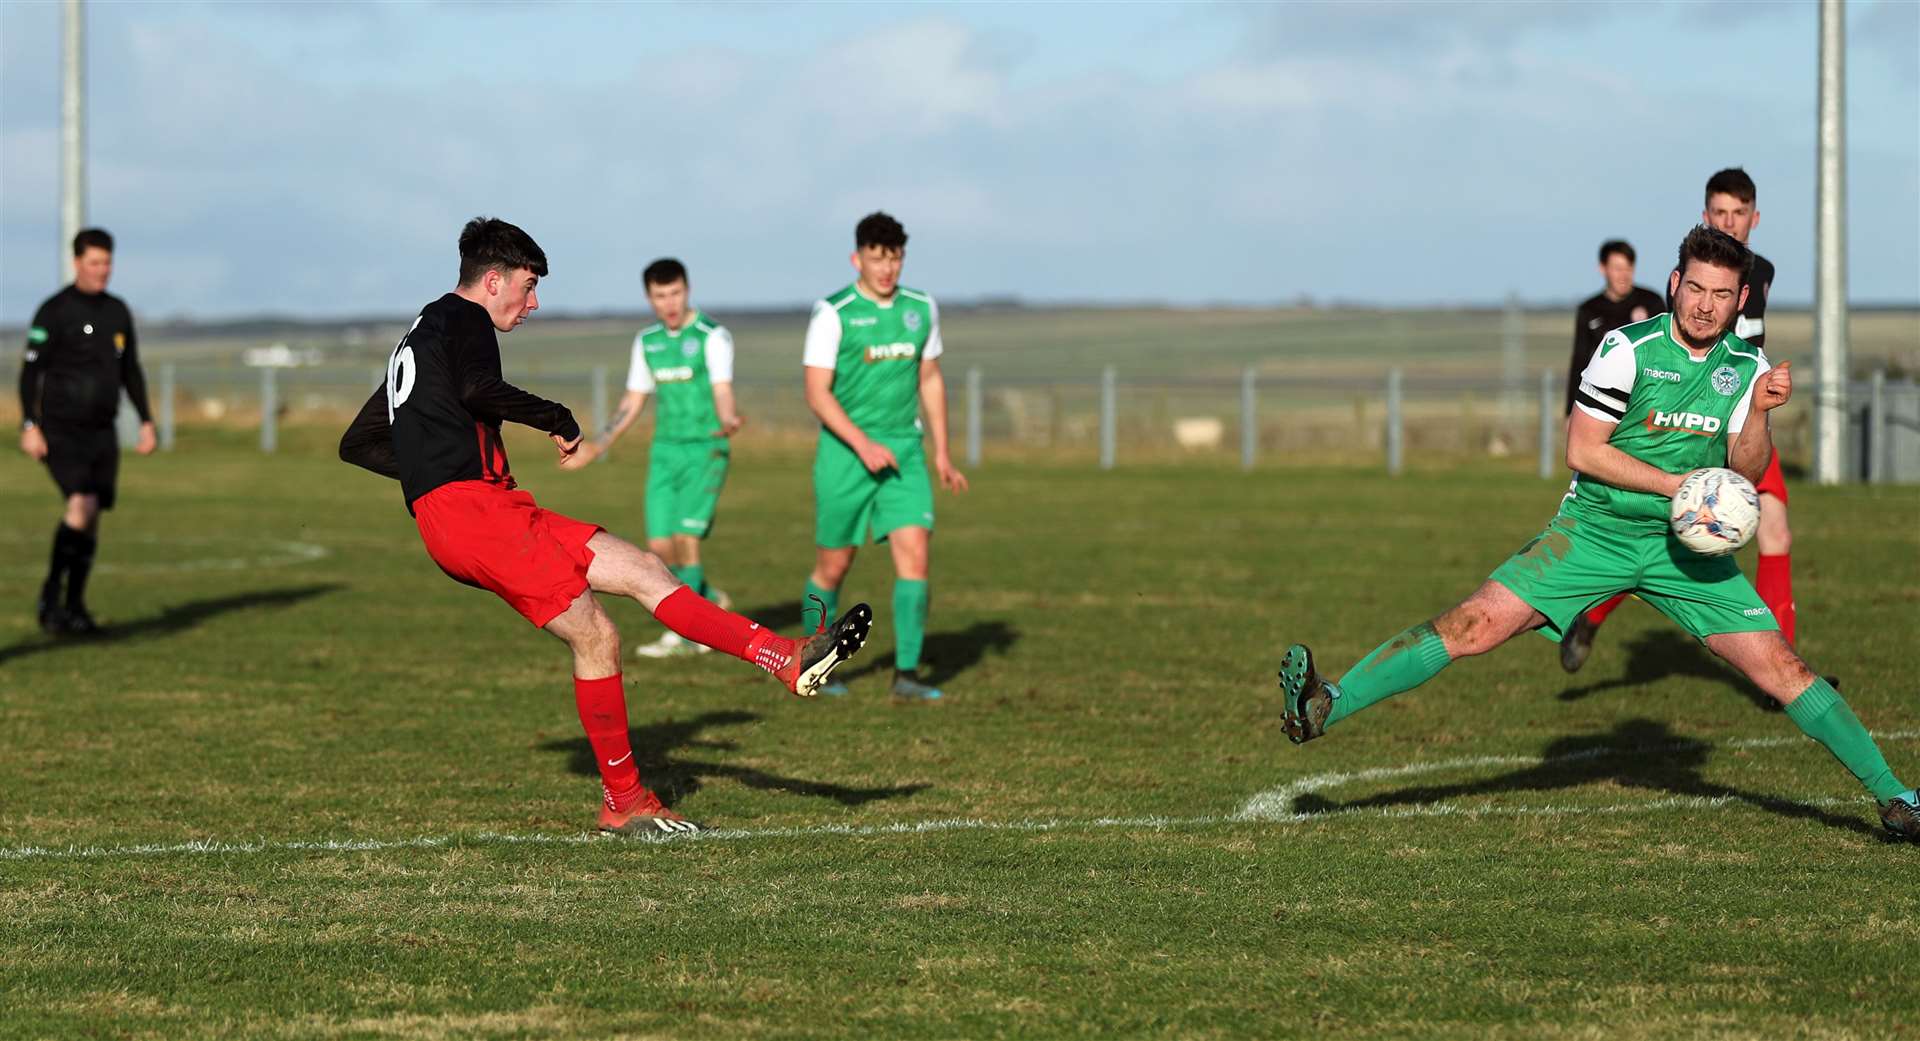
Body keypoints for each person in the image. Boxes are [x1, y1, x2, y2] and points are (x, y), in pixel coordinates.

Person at [1276, 225, 1917, 842]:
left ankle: (1898, 799)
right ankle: (1325, 701)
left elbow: (1745, 471)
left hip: (1684, 551)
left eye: (1722, 295)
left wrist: (1757, 413)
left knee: (1784, 666)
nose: (1705, 305)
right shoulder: (1627, 349)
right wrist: (1676, 489)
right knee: (1473, 625)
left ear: (1741, 300)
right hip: (1595, 531)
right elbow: (1583, 451)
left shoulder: (1746, 364)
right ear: (1674, 283)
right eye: (1696, 289)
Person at [340, 217, 871, 837]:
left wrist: (428, 480)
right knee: (596, 637)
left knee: (645, 568)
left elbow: (361, 442)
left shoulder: (420, 333)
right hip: (472, 513)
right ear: (493, 280)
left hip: (484, 507)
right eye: (529, 285)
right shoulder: (466, 319)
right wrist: (553, 418)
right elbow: (476, 387)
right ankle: (624, 801)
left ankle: (787, 657)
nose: (533, 301)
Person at [1563, 169, 1799, 671]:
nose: (1729, 223)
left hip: (1741, 415)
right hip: (1694, 418)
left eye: (1739, 214)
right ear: (1705, 216)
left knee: (1774, 533)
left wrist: (1756, 395)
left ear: (1754, 219)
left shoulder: (1762, 273)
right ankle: (1595, 612)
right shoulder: (1699, 278)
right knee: (1663, 535)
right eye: (1719, 214)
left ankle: (1778, 667)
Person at [799, 212, 968, 702]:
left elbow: (930, 378)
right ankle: (814, 662)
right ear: (858, 258)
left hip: (904, 451)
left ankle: (908, 675)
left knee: (915, 554)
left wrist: (943, 451)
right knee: (833, 565)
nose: (886, 268)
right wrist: (862, 443)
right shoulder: (833, 312)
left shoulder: (920, 308)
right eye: (877, 258)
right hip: (845, 453)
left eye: (894, 258)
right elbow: (816, 392)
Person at [561, 258, 742, 659]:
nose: (670, 302)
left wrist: (728, 415)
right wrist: (597, 445)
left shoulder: (713, 336)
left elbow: (722, 388)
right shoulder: (648, 342)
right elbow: (633, 401)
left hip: (705, 448)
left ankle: (687, 635)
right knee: (660, 548)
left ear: (687, 290)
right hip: (665, 452)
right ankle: (709, 600)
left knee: (686, 540)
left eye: (675, 292)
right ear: (650, 298)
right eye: (661, 296)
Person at [16, 228, 156, 635]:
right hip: (61, 430)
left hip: (102, 431)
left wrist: (145, 421)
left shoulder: (117, 311)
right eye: (95, 262)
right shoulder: (54, 311)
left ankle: (74, 605)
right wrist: (30, 424)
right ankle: (51, 597)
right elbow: (30, 372)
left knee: (92, 518)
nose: (102, 270)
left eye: (107, 262)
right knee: (81, 507)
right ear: (77, 262)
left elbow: (130, 370)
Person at [1565, 240, 1665, 418]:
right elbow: (1579, 360)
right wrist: (1570, 410)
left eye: (1628, 268)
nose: (1624, 275)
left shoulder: (1652, 302)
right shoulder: (1589, 309)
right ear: (1602, 268)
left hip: (1645, 397)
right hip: (1603, 398)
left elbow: (1666, 351)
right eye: (1617, 268)